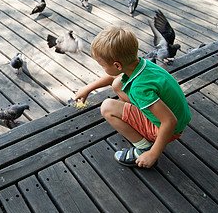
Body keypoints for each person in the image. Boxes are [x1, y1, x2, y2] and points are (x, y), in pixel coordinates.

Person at [75, 26, 191, 168]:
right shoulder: (143, 64)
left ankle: (144, 147)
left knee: (107, 107)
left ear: (117, 65)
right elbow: (115, 77)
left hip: (167, 129)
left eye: (102, 65)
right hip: (179, 117)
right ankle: (140, 121)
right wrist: (88, 88)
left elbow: (169, 121)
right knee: (118, 83)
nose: (103, 68)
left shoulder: (140, 89)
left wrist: (153, 154)